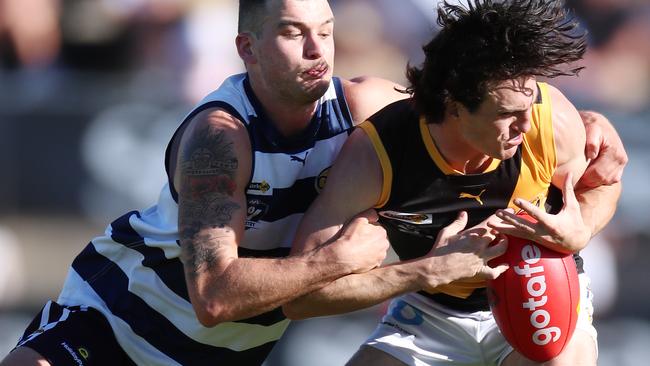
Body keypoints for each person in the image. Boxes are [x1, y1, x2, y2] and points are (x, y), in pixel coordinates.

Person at [1, 1, 626, 365]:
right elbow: (215, 299)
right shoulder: (221, 138)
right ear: (246, 47)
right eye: (291, 33)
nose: (316, 49)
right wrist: (347, 261)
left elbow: (458, 107)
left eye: (324, 30)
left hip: (224, 358)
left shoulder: (369, 108)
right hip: (116, 322)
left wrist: (580, 137)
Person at [284, 1, 623, 365]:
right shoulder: (377, 155)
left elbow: (603, 181)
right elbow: (301, 298)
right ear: (454, 105)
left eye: (528, 107)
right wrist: (426, 271)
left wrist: (582, 230)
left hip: (535, 292)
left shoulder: (548, 119)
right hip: (430, 313)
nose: (524, 126)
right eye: (506, 114)